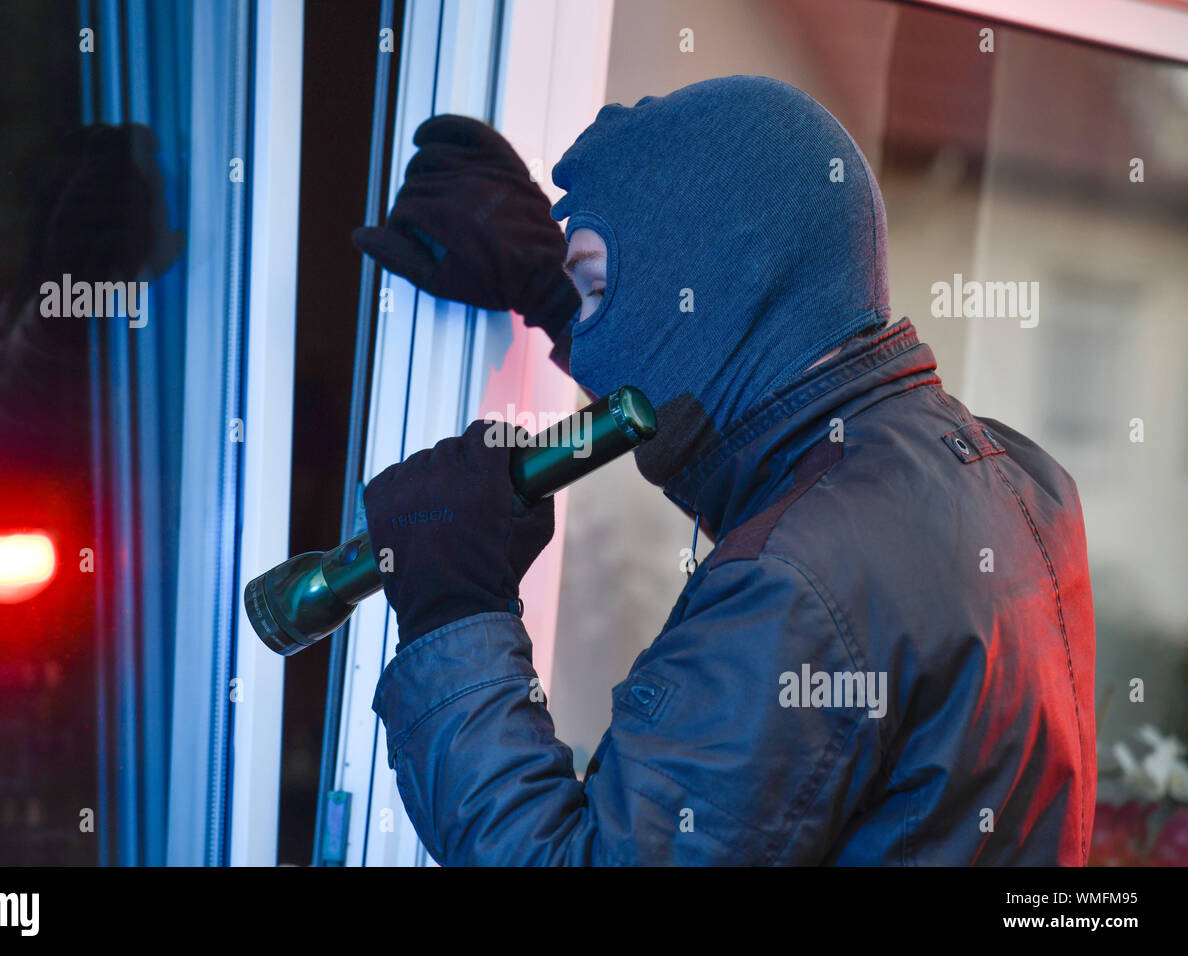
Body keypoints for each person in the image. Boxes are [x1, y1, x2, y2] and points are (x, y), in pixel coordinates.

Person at [353, 75, 1096, 865]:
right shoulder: (1014, 475)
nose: (595, 334)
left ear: (714, 285)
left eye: (600, 290)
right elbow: (784, 485)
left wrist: (456, 612)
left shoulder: (793, 590)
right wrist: (555, 290)